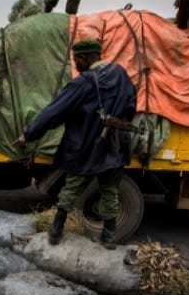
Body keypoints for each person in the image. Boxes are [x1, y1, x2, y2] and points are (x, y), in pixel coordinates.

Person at [15, 40, 135, 248]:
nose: (76, 64)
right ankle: (109, 237)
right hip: (115, 146)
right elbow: (131, 105)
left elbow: (55, 111)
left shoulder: (84, 82)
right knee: (110, 191)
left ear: (87, 57)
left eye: (77, 59)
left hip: (87, 147)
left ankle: (56, 231)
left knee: (71, 189)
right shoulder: (121, 75)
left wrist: (28, 134)